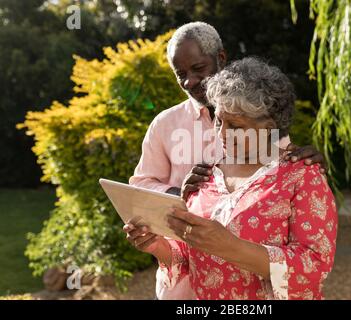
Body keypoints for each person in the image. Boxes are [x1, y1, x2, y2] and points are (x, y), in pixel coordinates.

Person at [127, 21, 328, 300]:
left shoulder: (299, 174)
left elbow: (312, 267)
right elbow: (185, 253)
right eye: (219, 121)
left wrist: (228, 246)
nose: (221, 134)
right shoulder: (207, 174)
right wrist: (157, 242)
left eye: (236, 125)